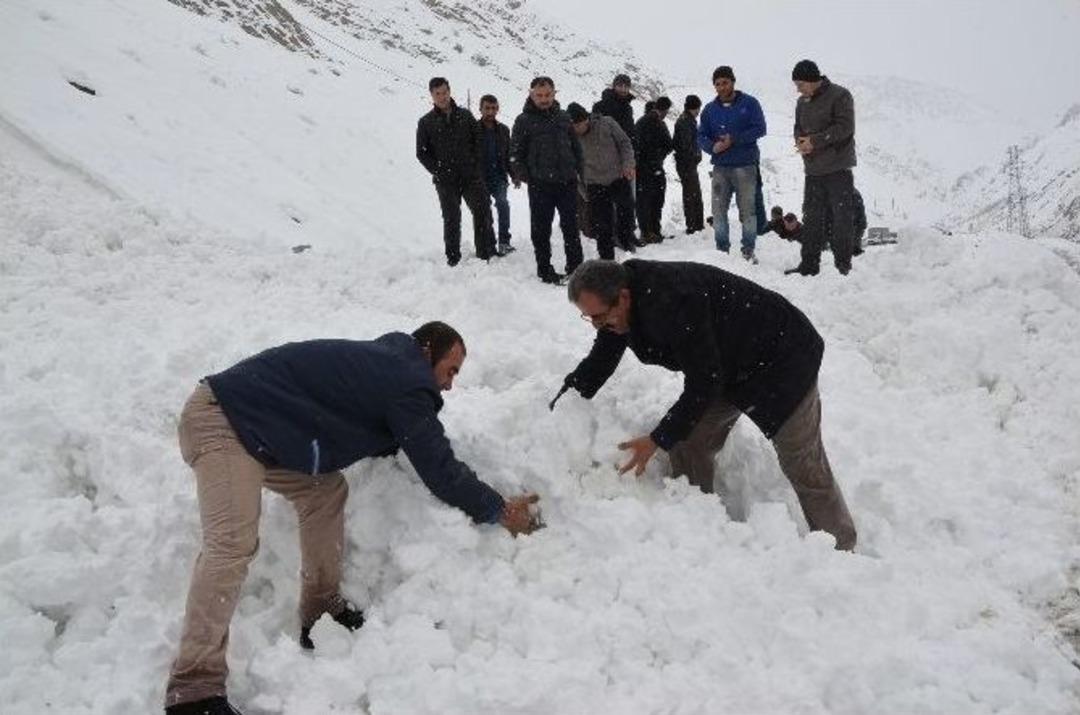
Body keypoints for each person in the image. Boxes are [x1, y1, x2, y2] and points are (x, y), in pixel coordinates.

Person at [164, 323, 541, 715]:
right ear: (427, 351)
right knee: (232, 543)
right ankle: (194, 689)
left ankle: (321, 608)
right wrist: (497, 508)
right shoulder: (407, 380)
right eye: (451, 370)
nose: (449, 385)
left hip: (260, 432)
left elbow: (379, 426)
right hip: (222, 422)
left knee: (325, 492)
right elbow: (439, 468)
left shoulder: (387, 368)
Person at [558, 259, 857, 552]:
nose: (596, 325)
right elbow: (601, 359)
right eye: (589, 318)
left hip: (782, 357)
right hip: (725, 363)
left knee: (802, 460)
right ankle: (695, 518)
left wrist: (657, 439)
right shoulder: (620, 309)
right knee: (689, 440)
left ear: (622, 297)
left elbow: (704, 382)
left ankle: (841, 548)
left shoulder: (674, 300)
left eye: (598, 316)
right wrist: (563, 404)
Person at [510, 76, 585, 284]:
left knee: (571, 227)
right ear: (531, 94)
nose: (544, 99)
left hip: (567, 183)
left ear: (554, 93)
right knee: (541, 230)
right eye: (539, 95)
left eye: (547, 95)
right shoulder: (523, 120)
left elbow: (576, 147)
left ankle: (576, 268)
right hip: (540, 186)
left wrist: (577, 169)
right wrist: (530, 178)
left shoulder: (563, 117)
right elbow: (515, 154)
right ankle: (545, 270)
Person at [416, 77, 497, 265]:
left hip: (470, 176)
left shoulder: (465, 116)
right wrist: (438, 170)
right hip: (445, 180)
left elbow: (478, 140)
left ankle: (484, 254)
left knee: (482, 210)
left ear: (449, 91)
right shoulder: (426, 122)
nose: (442, 97)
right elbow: (421, 153)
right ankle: (453, 259)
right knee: (452, 218)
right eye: (438, 94)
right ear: (432, 95)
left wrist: (474, 165)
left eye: (444, 92)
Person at [788, 59, 858, 276]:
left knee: (841, 218)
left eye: (800, 84)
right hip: (813, 170)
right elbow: (798, 128)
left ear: (812, 80)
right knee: (811, 219)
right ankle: (808, 266)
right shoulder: (802, 102)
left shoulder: (840, 95)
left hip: (838, 168)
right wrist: (801, 142)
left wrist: (815, 142)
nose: (798, 89)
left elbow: (845, 128)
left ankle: (842, 266)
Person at [697, 66, 767, 261]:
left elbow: (760, 128)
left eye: (724, 82)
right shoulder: (710, 110)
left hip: (745, 165)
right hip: (720, 168)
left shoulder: (750, 104)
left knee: (748, 212)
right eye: (717, 84)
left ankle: (748, 250)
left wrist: (734, 140)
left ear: (733, 82)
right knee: (718, 212)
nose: (721, 87)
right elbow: (701, 135)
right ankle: (722, 252)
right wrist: (712, 146)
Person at [568, 102, 636, 260]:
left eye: (579, 124)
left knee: (626, 212)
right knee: (602, 225)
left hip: (617, 177)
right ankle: (606, 259)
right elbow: (574, 167)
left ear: (587, 119)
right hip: (594, 184)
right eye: (573, 126)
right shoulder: (571, 137)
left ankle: (626, 244)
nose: (577, 129)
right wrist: (584, 192)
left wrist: (628, 164)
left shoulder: (607, 123)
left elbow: (625, 143)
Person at [593, 73, 639, 249]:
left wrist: (634, 154)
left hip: (627, 157)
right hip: (609, 160)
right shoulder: (601, 106)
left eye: (625, 86)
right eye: (619, 85)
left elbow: (630, 133)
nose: (622, 89)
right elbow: (596, 133)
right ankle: (615, 235)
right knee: (613, 201)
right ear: (614, 86)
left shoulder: (628, 107)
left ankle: (628, 232)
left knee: (629, 199)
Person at [478, 94, 518, 255]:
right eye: (487, 108)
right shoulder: (473, 129)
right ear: (480, 109)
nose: (490, 111)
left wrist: (514, 175)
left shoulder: (503, 130)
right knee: (484, 211)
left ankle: (504, 242)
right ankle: (489, 243)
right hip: (480, 177)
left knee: (503, 205)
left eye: (493, 108)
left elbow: (508, 155)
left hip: (499, 176)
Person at [634, 96, 674, 244]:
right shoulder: (657, 123)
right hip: (651, 168)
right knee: (653, 201)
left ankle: (649, 232)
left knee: (646, 201)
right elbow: (669, 145)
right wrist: (658, 157)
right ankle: (651, 231)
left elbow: (636, 146)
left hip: (645, 168)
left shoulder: (641, 122)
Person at [673, 94, 705, 234]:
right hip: (686, 164)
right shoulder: (685, 121)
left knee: (693, 193)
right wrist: (695, 156)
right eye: (698, 108)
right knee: (691, 194)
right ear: (694, 107)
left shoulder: (688, 120)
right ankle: (692, 225)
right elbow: (686, 145)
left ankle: (697, 224)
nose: (698, 111)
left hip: (688, 163)